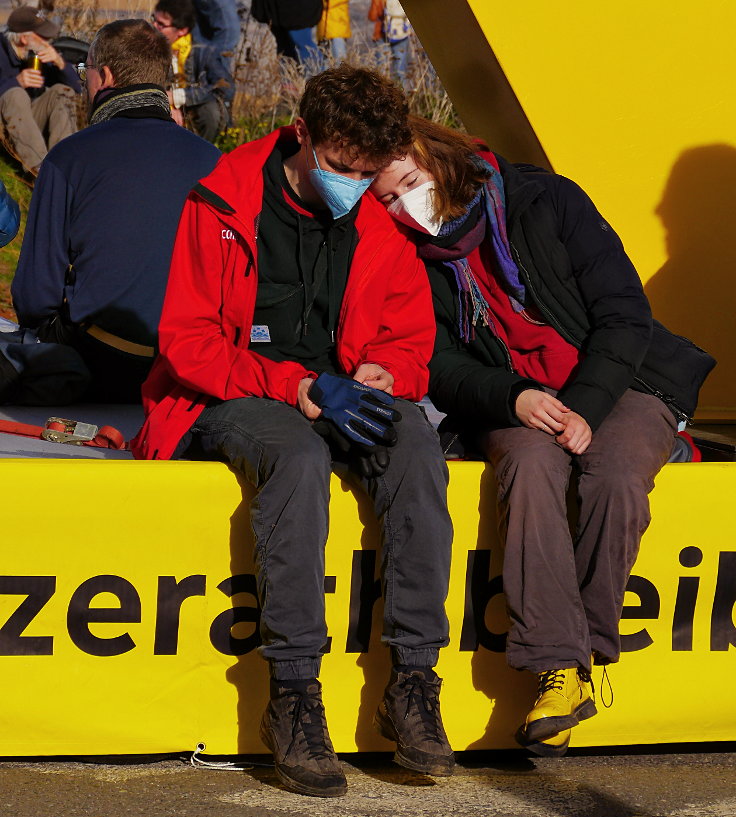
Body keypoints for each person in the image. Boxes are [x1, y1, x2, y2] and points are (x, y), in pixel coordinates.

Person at [131, 66, 455, 797]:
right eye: (341, 168)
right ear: (301, 136)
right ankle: (296, 694)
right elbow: (187, 344)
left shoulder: (377, 217)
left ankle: (414, 677)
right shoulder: (222, 200)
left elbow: (412, 341)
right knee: (297, 456)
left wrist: (386, 373)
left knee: (414, 444)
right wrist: (298, 386)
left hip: (340, 389)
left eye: (368, 173)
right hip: (233, 393)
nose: (355, 183)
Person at [371, 116, 715, 757]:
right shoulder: (404, 257)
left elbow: (623, 313)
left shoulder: (547, 199)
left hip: (623, 380)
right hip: (514, 398)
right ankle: (559, 670)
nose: (403, 207)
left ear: (440, 161)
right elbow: (438, 364)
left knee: (613, 473)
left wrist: (583, 405)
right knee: (529, 473)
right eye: (387, 197)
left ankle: (584, 652)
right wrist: (514, 397)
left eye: (410, 184)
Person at [11, 19, 220, 404]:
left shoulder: (69, 158)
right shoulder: (215, 162)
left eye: (84, 72)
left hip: (100, 364)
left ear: (104, 76)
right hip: (191, 370)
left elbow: (34, 296)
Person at [0, 5, 80, 176]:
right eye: (42, 36)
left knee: (62, 91)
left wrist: (59, 62)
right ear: (24, 38)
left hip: (26, 123)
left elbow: (76, 89)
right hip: (3, 126)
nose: (47, 41)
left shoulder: (37, 54)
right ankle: (41, 172)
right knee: (15, 93)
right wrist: (15, 82)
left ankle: (63, 165)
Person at [152, 0, 234, 143]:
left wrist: (179, 97)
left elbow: (225, 88)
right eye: (154, 19)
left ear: (182, 30)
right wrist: (167, 104)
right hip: (162, 101)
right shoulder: (148, 47)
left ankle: (203, 151)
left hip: (193, 105)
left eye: (161, 24)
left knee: (211, 112)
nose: (154, 26)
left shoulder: (203, 51)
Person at [368, 0, 411, 87]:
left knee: (381, 73)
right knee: (401, 72)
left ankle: (380, 96)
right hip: (402, 35)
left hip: (381, 35)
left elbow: (372, 17)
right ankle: (404, 97)